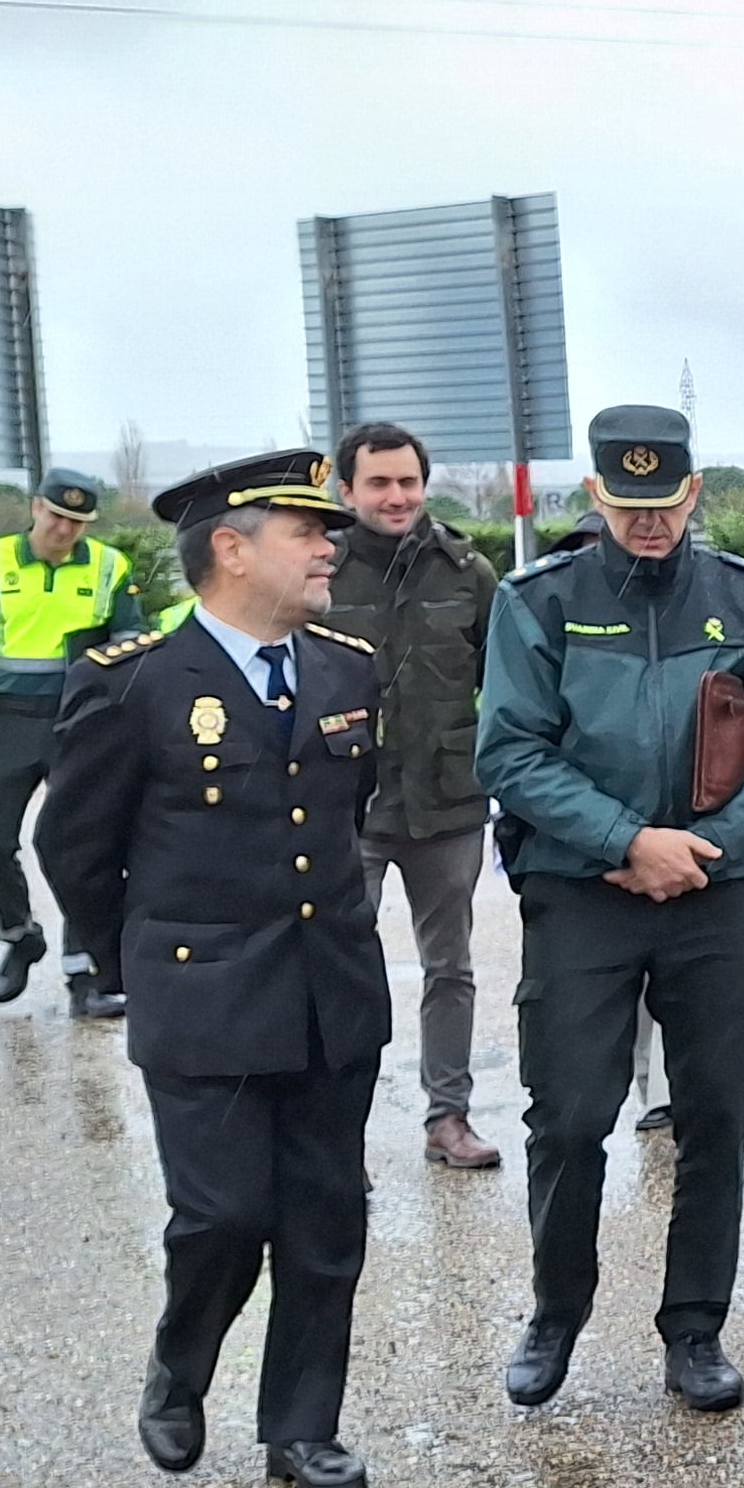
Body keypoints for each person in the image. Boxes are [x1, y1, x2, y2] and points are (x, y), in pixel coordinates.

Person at [37, 450, 391, 1488]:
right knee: (225, 1216)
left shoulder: (345, 667)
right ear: (230, 550)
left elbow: (348, 813)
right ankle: (181, 1365)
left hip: (331, 991)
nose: (331, 546)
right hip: (202, 997)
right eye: (305, 533)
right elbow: (76, 851)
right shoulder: (133, 679)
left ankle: (300, 1429)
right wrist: (140, 961)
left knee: (328, 1222)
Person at [477, 408, 744, 1416]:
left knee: (715, 1112)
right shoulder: (538, 601)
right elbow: (508, 751)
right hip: (584, 891)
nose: (650, 524)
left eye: (666, 503)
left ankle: (696, 1330)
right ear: (595, 497)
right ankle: (556, 1312)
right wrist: (629, 841)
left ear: (694, 490)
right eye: (629, 506)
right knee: (572, 1115)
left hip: (713, 895)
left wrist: (695, 852)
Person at [326, 422, 503, 1172]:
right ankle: (335, 1134)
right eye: (379, 483)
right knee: (336, 965)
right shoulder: (319, 570)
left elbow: (505, 689)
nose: (396, 497)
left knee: (450, 967)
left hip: (449, 803)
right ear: (345, 490)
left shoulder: (469, 572)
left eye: (408, 482)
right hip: (348, 807)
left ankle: (449, 1118)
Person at [0, 465, 136, 1010]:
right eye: (57, 516)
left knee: (84, 844)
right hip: (6, 715)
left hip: (80, 718)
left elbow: (131, 644)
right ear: (35, 509)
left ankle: (87, 975)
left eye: (78, 521)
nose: (65, 530)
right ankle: (20, 936)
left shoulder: (110, 566)